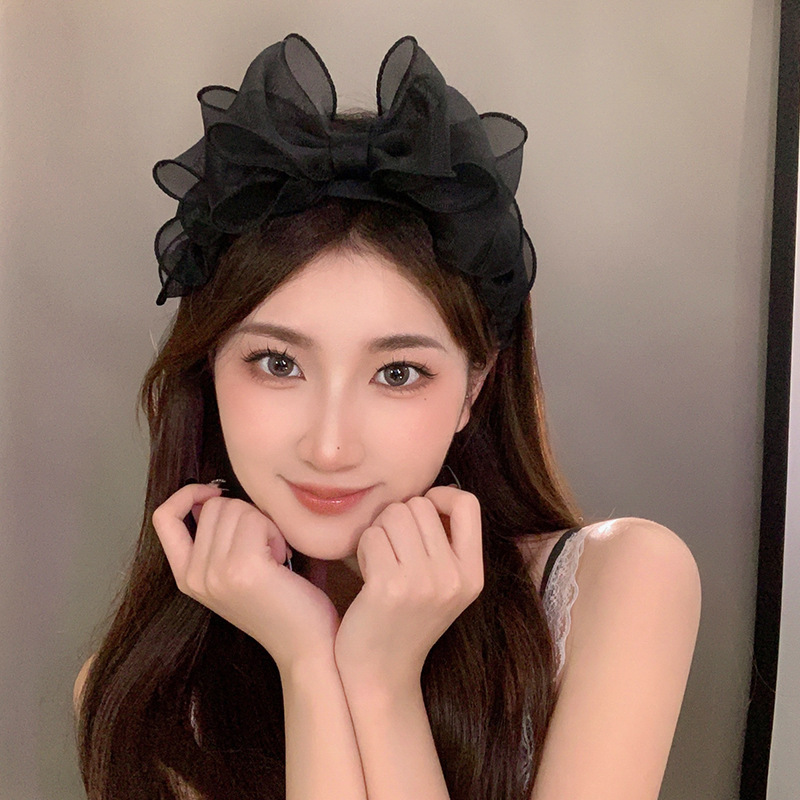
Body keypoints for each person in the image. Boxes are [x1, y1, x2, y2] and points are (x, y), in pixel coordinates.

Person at [73, 34, 701, 800]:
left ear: (473, 388)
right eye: (278, 363)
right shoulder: (144, 701)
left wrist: (380, 678)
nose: (330, 446)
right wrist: (307, 658)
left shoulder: (621, 584)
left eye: (397, 373)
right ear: (210, 369)